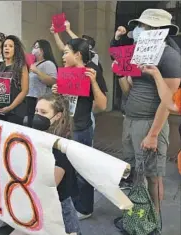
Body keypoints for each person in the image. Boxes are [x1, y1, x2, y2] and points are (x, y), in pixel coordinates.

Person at [111, 9, 181, 216]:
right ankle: (139, 215)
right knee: (135, 170)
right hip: (130, 119)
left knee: (153, 175)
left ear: (160, 30)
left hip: (150, 122)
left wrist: (153, 134)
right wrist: (121, 75)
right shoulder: (138, 52)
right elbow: (129, 89)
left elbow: (167, 101)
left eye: (145, 27)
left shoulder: (170, 56)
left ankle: (154, 218)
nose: (140, 31)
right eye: (140, 26)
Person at [52, 38, 108, 220]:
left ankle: (85, 208)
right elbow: (62, 103)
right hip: (65, 128)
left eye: (66, 52)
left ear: (78, 55)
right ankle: (72, 202)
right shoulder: (66, 73)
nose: (63, 56)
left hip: (82, 128)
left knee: (82, 170)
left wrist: (92, 82)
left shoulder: (92, 71)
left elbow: (102, 104)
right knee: (67, 168)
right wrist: (57, 91)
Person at [29, 93, 81, 235]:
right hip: (40, 203)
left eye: (43, 112)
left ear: (57, 116)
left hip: (58, 207)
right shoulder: (38, 136)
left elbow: (50, 183)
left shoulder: (61, 146)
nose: (37, 115)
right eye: (36, 111)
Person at [0, 35, 29, 125]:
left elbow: (24, 91)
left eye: (10, 46)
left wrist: (10, 107)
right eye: (5, 46)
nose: (7, 48)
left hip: (15, 112)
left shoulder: (21, 66)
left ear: (15, 49)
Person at [26, 39, 58, 127]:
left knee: (38, 124)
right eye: (33, 47)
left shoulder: (48, 63)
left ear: (43, 50)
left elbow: (53, 81)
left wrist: (37, 71)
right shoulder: (34, 64)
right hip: (30, 97)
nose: (33, 49)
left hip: (40, 99)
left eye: (36, 47)